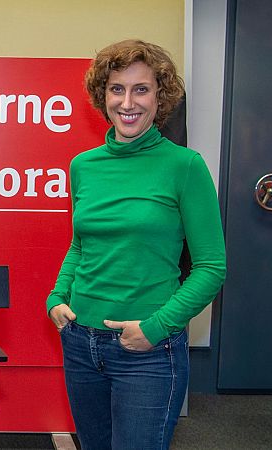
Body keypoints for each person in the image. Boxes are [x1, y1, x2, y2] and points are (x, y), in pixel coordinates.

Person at [46, 39, 226, 450]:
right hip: (80, 342)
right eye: (116, 89)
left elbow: (212, 267)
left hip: (148, 350)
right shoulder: (83, 165)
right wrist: (57, 297)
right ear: (102, 95)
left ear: (160, 96)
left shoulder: (185, 166)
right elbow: (81, 245)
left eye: (141, 89)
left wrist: (156, 328)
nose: (128, 102)